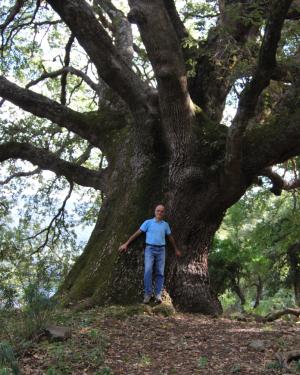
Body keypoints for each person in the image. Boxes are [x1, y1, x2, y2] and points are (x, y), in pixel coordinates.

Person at [119, 204, 181, 304]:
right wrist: (126, 243)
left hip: (161, 250)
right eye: (158, 211)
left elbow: (170, 238)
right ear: (155, 211)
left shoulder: (165, 225)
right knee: (148, 271)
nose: (159, 213)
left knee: (160, 272)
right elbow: (137, 233)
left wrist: (176, 249)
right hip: (150, 249)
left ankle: (157, 294)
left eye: (161, 211)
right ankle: (148, 294)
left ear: (164, 213)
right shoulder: (148, 223)